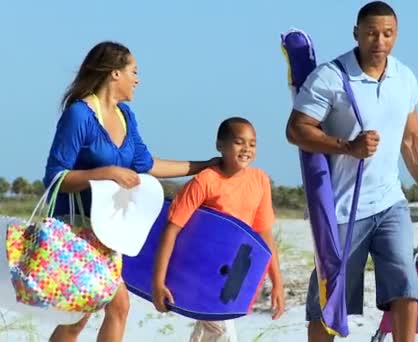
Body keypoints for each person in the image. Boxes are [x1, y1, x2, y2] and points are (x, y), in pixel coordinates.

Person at [285, 2, 418, 342]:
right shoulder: (331, 77)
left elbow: (412, 139)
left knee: (405, 282)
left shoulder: (405, 77)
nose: (379, 41)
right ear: (356, 33)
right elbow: (296, 130)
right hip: (344, 209)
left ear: (396, 35)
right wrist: (348, 147)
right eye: (371, 33)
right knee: (330, 298)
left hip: (390, 202)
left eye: (387, 34)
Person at [43, 41, 219, 342]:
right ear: (114, 73)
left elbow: (146, 164)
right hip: (77, 230)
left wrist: (204, 165)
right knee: (91, 312)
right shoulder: (80, 115)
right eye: (133, 71)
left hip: (109, 232)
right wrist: (105, 173)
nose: (137, 79)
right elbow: (55, 177)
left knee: (100, 311)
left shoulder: (126, 116)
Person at [152, 117, 285, 341]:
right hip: (199, 270)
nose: (246, 149)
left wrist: (277, 284)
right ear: (220, 145)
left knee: (211, 332)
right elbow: (171, 230)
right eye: (239, 142)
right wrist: (158, 282)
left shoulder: (259, 181)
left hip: (231, 274)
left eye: (252, 144)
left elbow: (264, 236)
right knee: (223, 333)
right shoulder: (205, 181)